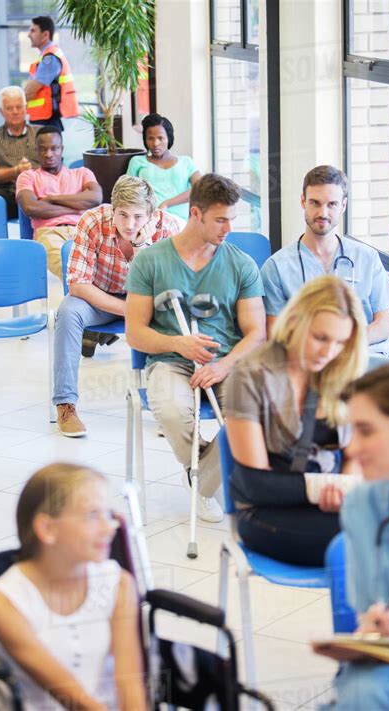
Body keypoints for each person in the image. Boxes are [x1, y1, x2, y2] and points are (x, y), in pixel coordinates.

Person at [125, 173, 266, 522]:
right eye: (220, 220)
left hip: (225, 362)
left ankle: (200, 480)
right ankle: (208, 470)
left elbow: (256, 333)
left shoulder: (241, 264)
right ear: (195, 214)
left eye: (233, 219)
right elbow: (135, 333)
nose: (228, 229)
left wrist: (223, 366)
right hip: (170, 362)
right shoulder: (150, 261)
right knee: (172, 412)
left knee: (253, 411)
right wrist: (179, 344)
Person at [224, 275, 369, 566]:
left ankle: (377, 612)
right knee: (375, 539)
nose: (328, 352)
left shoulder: (343, 371)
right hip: (265, 512)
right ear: (294, 322)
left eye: (341, 342)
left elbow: (355, 456)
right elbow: (256, 484)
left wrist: (344, 490)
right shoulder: (250, 375)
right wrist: (327, 489)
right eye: (320, 337)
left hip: (329, 502)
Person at [0, 463, 147, 711]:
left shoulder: (118, 583)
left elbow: (130, 684)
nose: (109, 528)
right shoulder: (5, 603)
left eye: (108, 514)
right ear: (47, 528)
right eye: (92, 516)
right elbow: (74, 700)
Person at [54, 175, 180, 437]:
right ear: (113, 209)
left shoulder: (168, 228)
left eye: (137, 217)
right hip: (99, 297)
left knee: (175, 316)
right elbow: (78, 284)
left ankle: (166, 407)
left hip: (150, 301)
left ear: (151, 214)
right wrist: (129, 310)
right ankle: (66, 404)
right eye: (122, 215)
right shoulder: (92, 221)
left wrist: (141, 247)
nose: (129, 224)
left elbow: (166, 288)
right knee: (67, 311)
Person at [313, 363, 389, 710]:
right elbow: (369, 610)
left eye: (366, 431)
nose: (350, 451)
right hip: (385, 672)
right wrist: (381, 626)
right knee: (365, 690)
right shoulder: (362, 507)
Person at [260, 165, 389, 357]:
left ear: (343, 206)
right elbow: (275, 333)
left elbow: (384, 325)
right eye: (315, 203)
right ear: (303, 201)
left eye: (332, 204)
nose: (323, 213)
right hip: (309, 363)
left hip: (365, 358)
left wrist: (345, 344)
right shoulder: (276, 267)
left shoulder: (367, 258)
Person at [16, 126, 102, 280]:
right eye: (43, 149)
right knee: (72, 272)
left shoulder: (82, 173)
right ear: (36, 150)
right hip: (49, 233)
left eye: (54, 148)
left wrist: (51, 199)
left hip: (83, 230)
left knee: (103, 269)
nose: (49, 154)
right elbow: (31, 208)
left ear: (61, 149)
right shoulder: (27, 177)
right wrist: (76, 208)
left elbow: (95, 198)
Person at [127, 113, 201, 221]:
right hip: (147, 219)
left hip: (178, 222)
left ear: (169, 138)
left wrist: (166, 204)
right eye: (150, 138)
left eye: (161, 138)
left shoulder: (186, 162)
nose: (155, 143)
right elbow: (127, 193)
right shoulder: (137, 162)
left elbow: (200, 189)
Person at [0, 86, 41, 219]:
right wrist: (16, 171)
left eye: (19, 107)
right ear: (1, 112)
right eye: (9, 108)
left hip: (40, 189)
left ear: (26, 108)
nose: (15, 112)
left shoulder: (41, 134)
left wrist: (29, 175)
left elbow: (54, 167)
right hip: (6, 191)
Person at [25, 15, 79, 131]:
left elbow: (31, 90)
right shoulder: (47, 55)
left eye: (33, 31)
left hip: (45, 119)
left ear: (45, 34)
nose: (29, 35)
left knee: (45, 149)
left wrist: (14, 103)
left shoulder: (49, 59)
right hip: (43, 117)